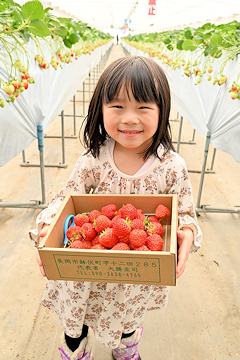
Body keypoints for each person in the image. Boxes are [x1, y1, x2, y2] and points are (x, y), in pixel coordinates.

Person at [29, 56, 202, 360]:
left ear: (162, 112)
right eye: (118, 106)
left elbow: (184, 212)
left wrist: (185, 230)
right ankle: (75, 346)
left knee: (127, 315)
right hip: (86, 266)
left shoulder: (171, 166)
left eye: (144, 107)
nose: (130, 118)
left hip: (136, 271)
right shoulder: (94, 159)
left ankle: (126, 344)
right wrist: (48, 228)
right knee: (77, 312)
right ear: (101, 109)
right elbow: (65, 199)